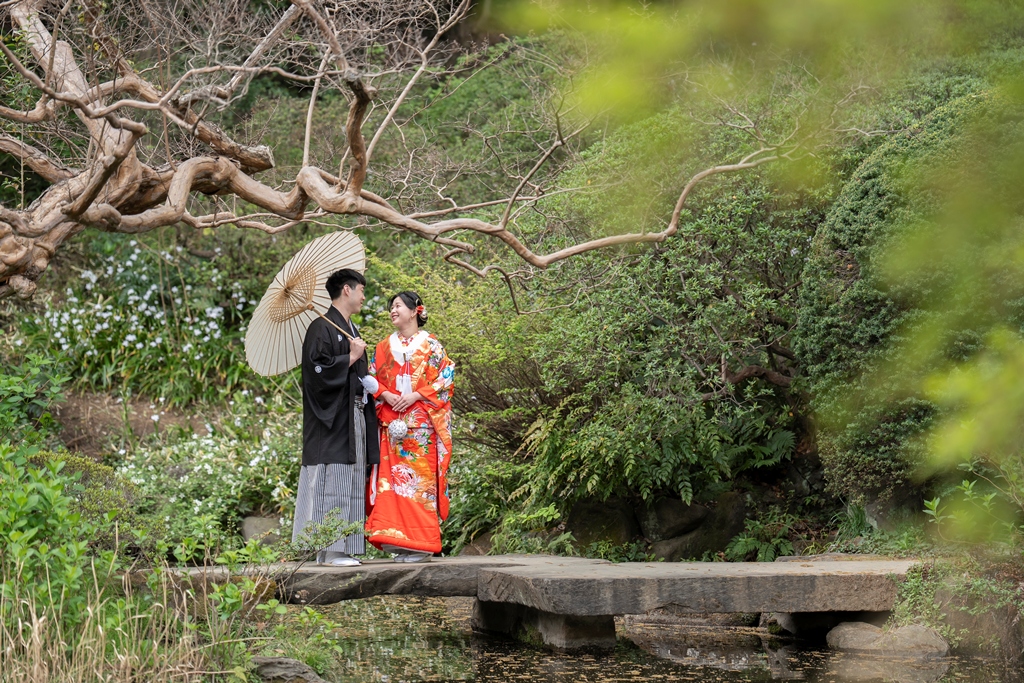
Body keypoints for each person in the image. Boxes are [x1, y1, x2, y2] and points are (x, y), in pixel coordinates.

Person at [291, 268, 379, 567]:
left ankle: (341, 549)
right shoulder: (321, 327)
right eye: (361, 290)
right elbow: (315, 373)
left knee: (351, 477)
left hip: (353, 414)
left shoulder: (350, 329)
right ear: (347, 290)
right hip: (331, 420)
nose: (364, 296)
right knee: (333, 477)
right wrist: (351, 357)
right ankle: (330, 549)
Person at [361, 291, 454, 562]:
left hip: (421, 428)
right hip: (392, 426)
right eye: (391, 307)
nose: (393, 310)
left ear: (415, 311)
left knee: (419, 487)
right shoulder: (383, 347)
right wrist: (384, 394)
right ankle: (400, 543)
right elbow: (370, 377)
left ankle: (422, 544)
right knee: (393, 486)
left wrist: (415, 395)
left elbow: (446, 379)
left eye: (398, 306)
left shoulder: (432, 345)